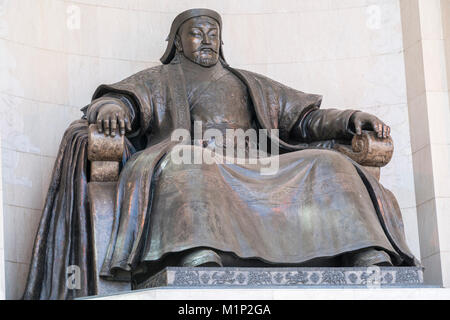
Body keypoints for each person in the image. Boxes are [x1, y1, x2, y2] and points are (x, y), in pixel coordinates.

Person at [24, 8, 418, 300]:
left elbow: (307, 119)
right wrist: (110, 109)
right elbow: (122, 102)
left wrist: (351, 119)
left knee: (331, 163)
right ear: (178, 42)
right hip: (193, 155)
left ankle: (365, 253)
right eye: (196, 33)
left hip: (259, 164)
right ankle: (197, 255)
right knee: (190, 162)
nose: (207, 39)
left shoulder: (249, 83)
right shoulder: (159, 79)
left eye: (213, 32)